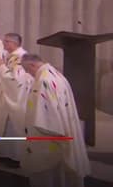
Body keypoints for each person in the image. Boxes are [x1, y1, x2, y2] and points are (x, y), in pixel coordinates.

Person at [20, 54, 90, 187]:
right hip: (61, 127)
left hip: (48, 134)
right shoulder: (55, 73)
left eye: (28, 71)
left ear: (32, 65)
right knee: (60, 170)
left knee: (46, 168)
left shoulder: (43, 81)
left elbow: (45, 118)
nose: (29, 74)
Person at [0, 33, 32, 164]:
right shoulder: (10, 55)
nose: (4, 44)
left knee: (12, 125)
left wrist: (1, 65)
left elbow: (14, 79)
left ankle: (14, 156)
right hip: (6, 94)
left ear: (14, 43)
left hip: (14, 97)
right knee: (4, 124)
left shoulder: (20, 57)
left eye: (6, 42)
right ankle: (4, 152)